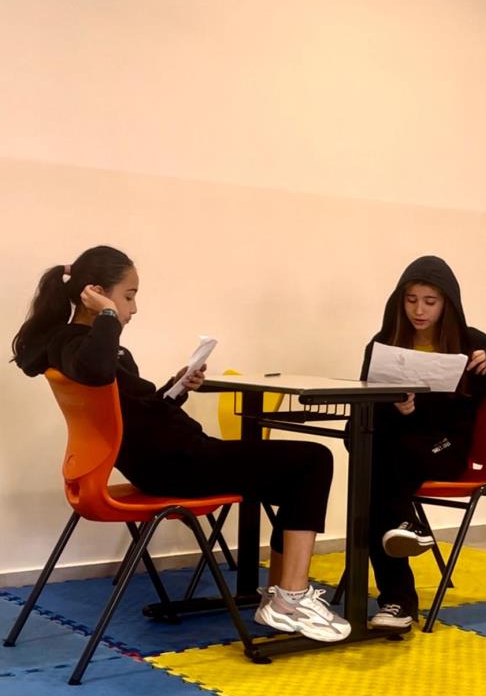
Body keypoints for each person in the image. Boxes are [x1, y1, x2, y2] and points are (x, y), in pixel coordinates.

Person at [12, 245, 350, 643]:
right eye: (128, 296)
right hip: (179, 464)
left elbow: (138, 415)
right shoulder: (75, 344)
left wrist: (177, 388)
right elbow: (97, 371)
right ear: (97, 294)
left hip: (173, 459)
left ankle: (281, 597)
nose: (134, 309)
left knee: (294, 480)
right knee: (313, 460)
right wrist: (107, 315)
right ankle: (289, 600)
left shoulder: (91, 346)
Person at [361, 255, 486, 629]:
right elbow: (366, 408)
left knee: (381, 478)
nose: (419, 310)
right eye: (411, 300)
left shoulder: (470, 341)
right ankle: (405, 531)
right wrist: (397, 408)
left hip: (448, 448)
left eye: (430, 301)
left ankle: (398, 600)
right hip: (399, 449)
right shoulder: (384, 343)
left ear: (447, 303)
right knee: (364, 449)